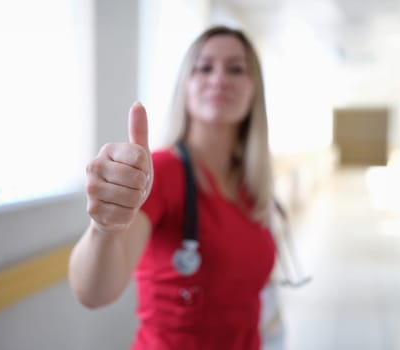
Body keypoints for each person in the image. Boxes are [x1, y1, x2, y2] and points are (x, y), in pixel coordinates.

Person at [68, 25, 279, 350]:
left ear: (254, 91)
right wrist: (104, 228)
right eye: (204, 67)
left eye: (236, 69)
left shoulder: (251, 183)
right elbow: (94, 293)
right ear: (185, 85)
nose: (219, 78)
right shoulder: (161, 172)